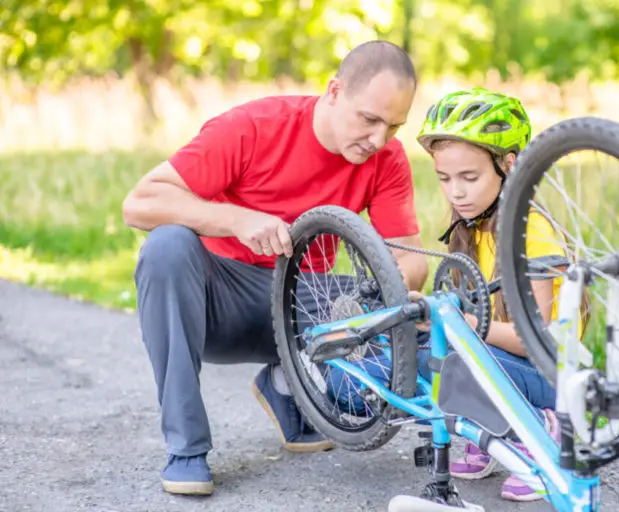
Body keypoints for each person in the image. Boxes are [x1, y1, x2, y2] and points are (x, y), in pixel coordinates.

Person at [121, 40, 430, 496]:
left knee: (407, 311)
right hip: (217, 300)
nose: (379, 139)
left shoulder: (386, 158)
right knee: (166, 246)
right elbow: (140, 203)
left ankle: (288, 383)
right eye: (369, 119)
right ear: (333, 91)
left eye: (394, 125)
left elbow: (410, 259)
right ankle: (186, 449)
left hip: (303, 301)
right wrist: (238, 219)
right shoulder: (253, 127)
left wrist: (392, 294)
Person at [326, 87, 587, 502]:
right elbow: (462, 309)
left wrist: (463, 326)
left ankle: (537, 429)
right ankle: (486, 428)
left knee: (449, 361)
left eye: (469, 178)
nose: (456, 192)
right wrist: (425, 315)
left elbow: (538, 341)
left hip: (543, 374)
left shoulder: (531, 232)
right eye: (445, 179)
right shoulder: (467, 229)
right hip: (484, 358)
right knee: (344, 382)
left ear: (509, 166)